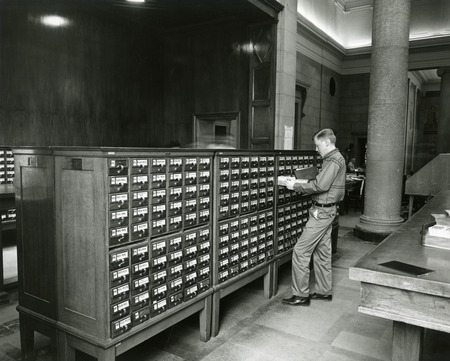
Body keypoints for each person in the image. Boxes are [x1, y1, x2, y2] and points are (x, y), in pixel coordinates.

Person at [282, 128, 346, 306]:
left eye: (318, 145)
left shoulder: (333, 160)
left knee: (301, 251)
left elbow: (321, 185)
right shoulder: (333, 159)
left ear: (326, 142)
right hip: (327, 210)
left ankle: (300, 295)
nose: (316, 150)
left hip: (322, 212)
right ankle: (324, 291)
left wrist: (296, 185)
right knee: (323, 252)